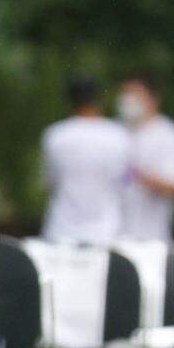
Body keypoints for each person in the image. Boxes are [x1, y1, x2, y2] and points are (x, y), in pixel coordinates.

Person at [40, 75, 130, 243]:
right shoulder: (118, 135)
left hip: (62, 229)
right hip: (106, 230)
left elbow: (51, 182)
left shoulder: (55, 135)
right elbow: (125, 181)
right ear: (99, 100)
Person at [116, 74, 174, 241]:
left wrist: (135, 173)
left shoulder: (169, 135)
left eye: (134, 94)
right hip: (111, 236)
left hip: (151, 238)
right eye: (125, 94)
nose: (128, 100)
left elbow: (173, 186)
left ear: (153, 98)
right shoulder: (113, 131)